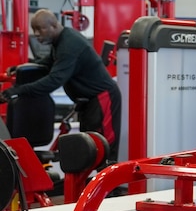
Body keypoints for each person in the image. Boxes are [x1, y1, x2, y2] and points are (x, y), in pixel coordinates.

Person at [0, 9, 120, 160]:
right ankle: (89, 184)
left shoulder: (69, 44)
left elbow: (53, 81)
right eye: (34, 29)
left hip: (103, 99)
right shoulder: (59, 41)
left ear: (54, 26)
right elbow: (48, 63)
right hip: (88, 102)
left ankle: (108, 183)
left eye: (40, 29)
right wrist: (21, 68)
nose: (36, 34)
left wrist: (17, 91)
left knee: (103, 150)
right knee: (89, 150)